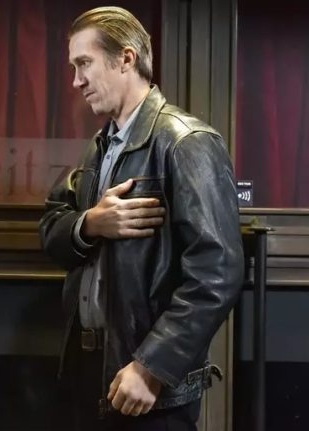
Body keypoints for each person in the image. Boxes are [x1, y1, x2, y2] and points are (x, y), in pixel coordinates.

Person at [39, 7, 244, 431]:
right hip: (90, 372)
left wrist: (151, 366)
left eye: (84, 63)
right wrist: (90, 224)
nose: (76, 80)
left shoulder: (187, 142)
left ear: (126, 59)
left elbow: (218, 273)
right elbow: (51, 228)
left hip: (147, 387)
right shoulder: (100, 146)